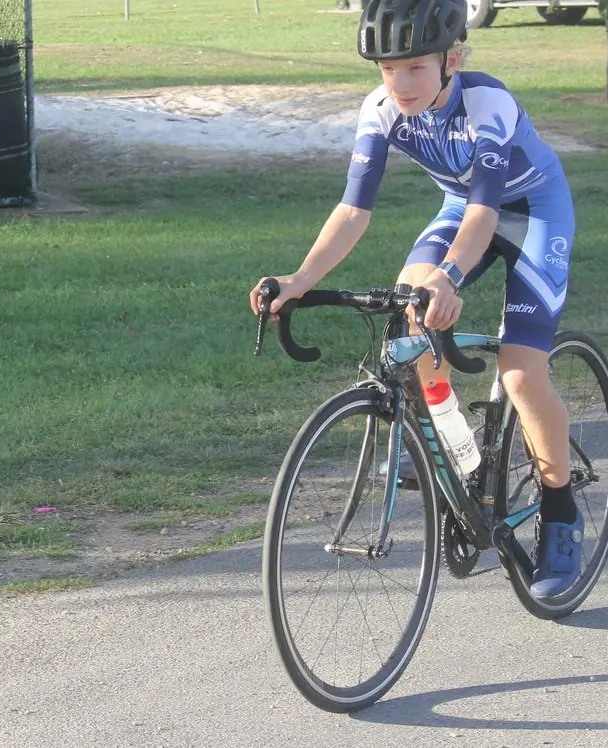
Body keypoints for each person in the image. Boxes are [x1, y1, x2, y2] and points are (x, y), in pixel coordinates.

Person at [247, 0, 582, 598]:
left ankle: (560, 514)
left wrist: (450, 275)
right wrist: (299, 279)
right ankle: (457, 447)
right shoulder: (380, 111)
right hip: (462, 211)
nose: (398, 84)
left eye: (414, 69)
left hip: (533, 214)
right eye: (386, 69)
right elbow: (353, 210)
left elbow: (485, 208)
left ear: (452, 59)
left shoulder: (487, 103)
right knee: (411, 309)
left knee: (523, 375)